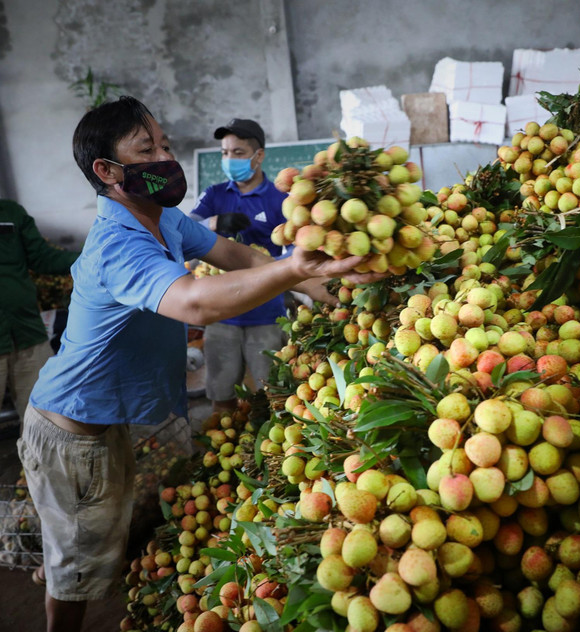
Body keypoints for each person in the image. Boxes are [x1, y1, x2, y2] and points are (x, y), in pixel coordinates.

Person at [18, 96, 380, 632]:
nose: (166, 156)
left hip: (106, 426)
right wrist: (289, 270)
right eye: (148, 149)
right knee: (75, 573)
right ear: (107, 171)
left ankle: (67, 574)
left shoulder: (164, 219)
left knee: (92, 550)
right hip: (72, 435)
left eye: (164, 144)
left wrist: (330, 286)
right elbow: (196, 301)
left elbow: (237, 256)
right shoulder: (117, 243)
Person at [190, 118, 332, 413]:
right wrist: (214, 223)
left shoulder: (280, 198)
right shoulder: (214, 195)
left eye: (238, 153)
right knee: (220, 395)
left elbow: (297, 255)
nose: (229, 160)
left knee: (275, 397)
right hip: (221, 316)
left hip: (266, 316)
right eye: (225, 153)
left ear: (259, 156)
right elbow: (183, 234)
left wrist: (270, 267)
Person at [0, 199, 79, 425]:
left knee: (49, 420)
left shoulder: (11, 212)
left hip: (28, 333)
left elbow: (42, 257)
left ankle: (37, 462)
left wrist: (88, 257)